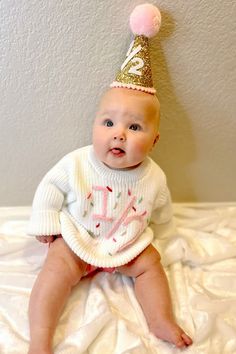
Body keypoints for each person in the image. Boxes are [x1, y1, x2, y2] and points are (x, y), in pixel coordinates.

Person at [27, 5, 192, 353]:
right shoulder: (77, 163)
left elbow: (162, 211)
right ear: (94, 126)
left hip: (126, 243)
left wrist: (166, 236)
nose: (119, 135)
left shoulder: (154, 177)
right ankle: (40, 337)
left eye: (134, 127)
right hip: (79, 237)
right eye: (108, 123)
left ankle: (160, 318)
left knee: (151, 266)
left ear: (154, 141)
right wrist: (46, 220)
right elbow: (50, 187)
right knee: (55, 269)